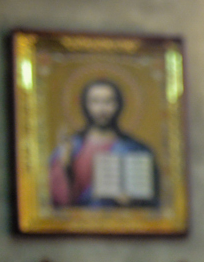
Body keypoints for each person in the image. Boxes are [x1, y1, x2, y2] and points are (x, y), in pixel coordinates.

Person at [49, 78, 159, 208]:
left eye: (108, 102)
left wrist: (134, 200)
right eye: (95, 101)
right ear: (85, 105)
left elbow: (153, 200)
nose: (102, 109)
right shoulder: (72, 147)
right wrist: (65, 164)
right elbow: (56, 199)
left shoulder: (135, 148)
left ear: (119, 105)